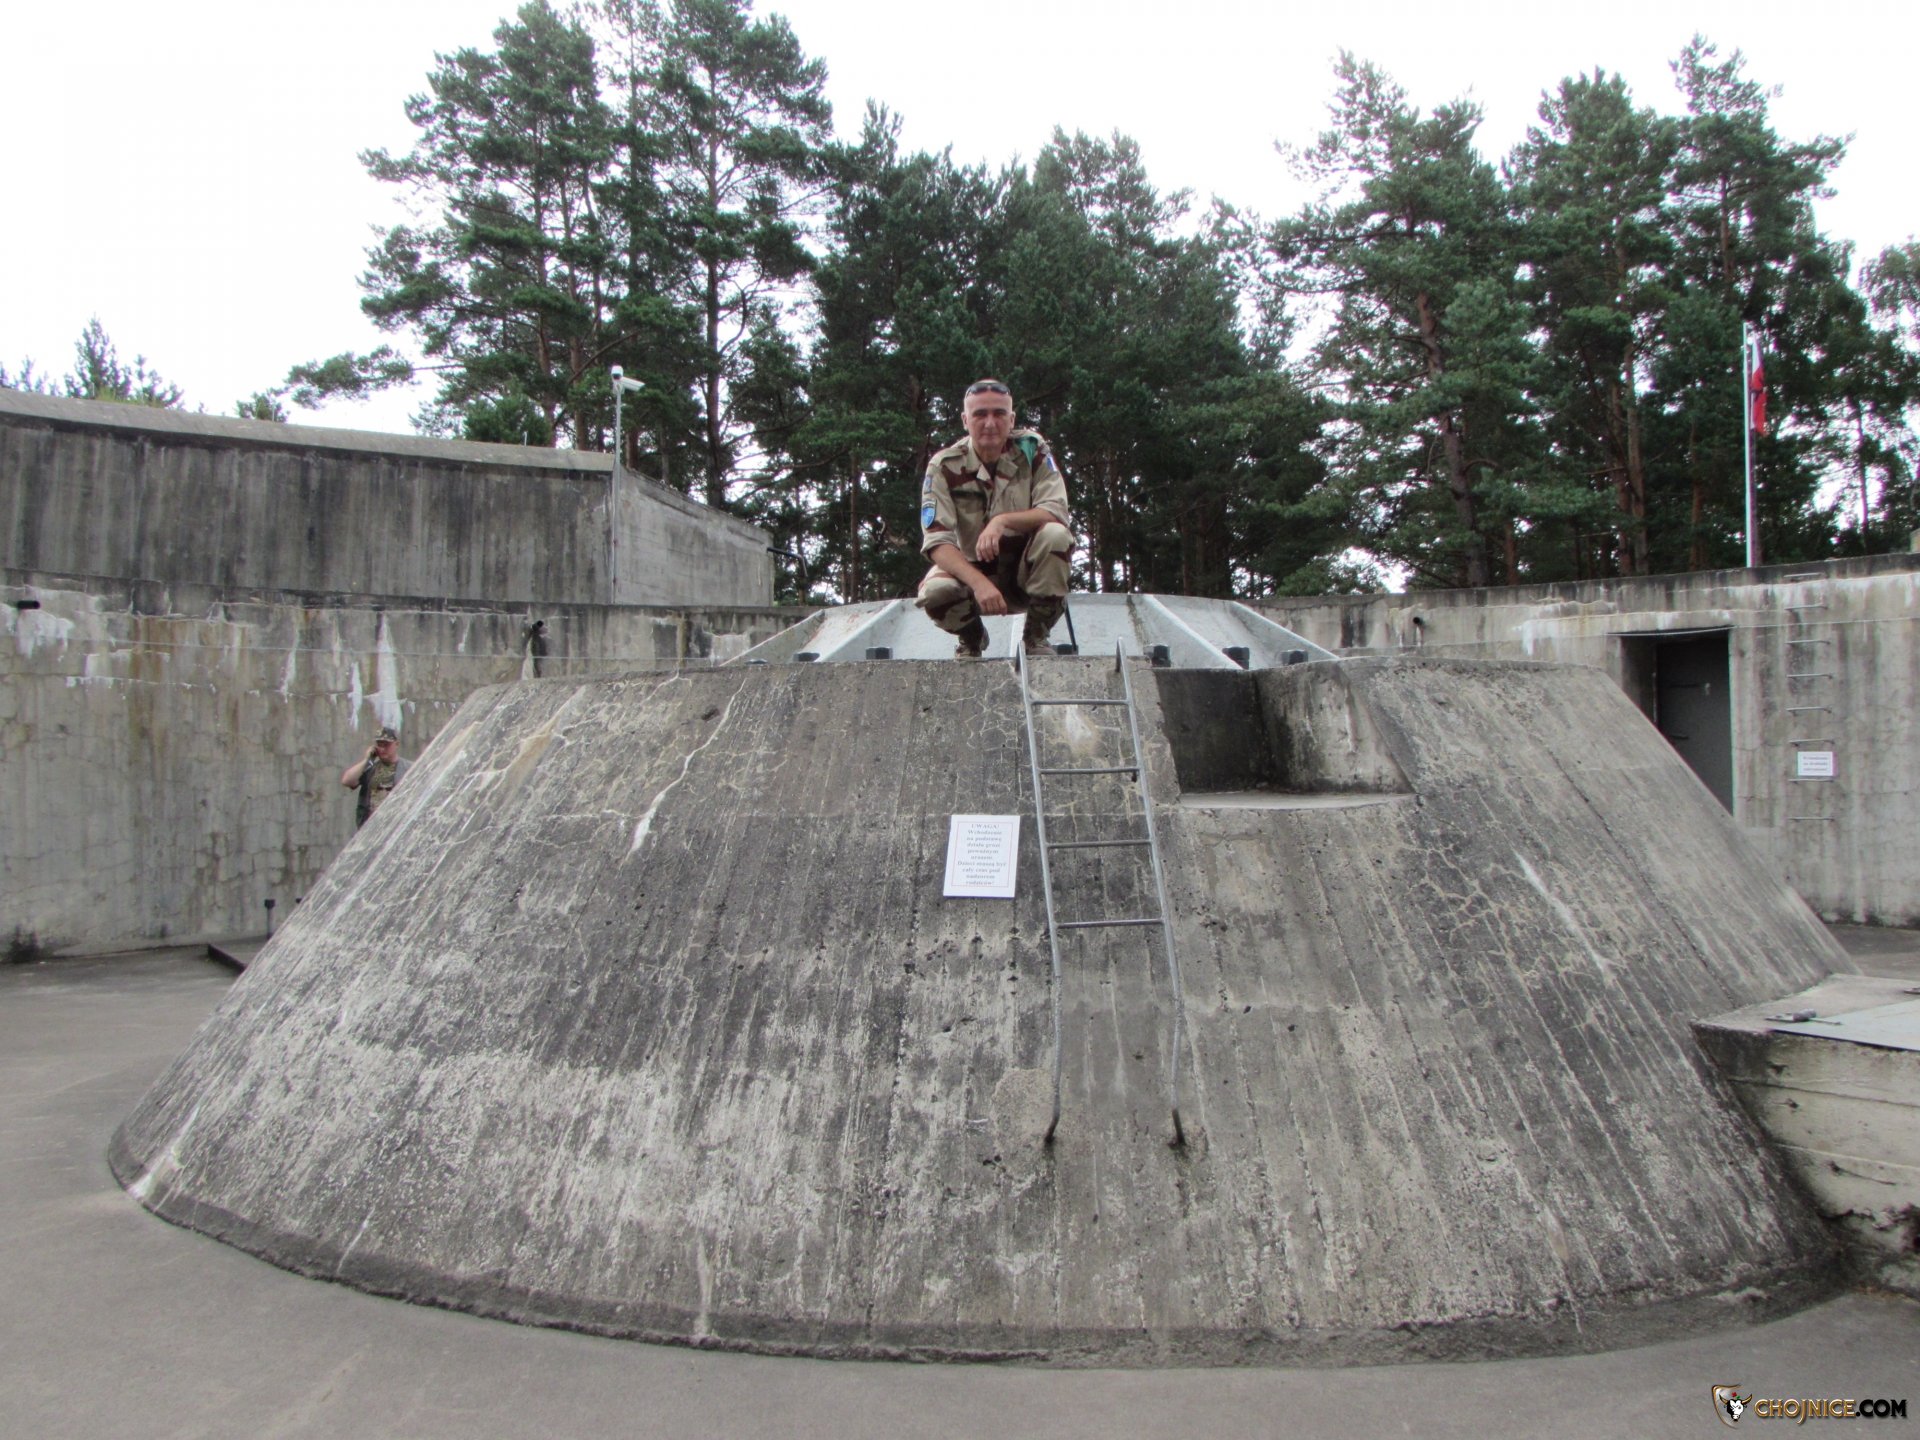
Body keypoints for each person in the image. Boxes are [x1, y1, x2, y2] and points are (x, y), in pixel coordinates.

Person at [916, 378, 1073, 657]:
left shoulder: (1031, 449)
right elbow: (937, 541)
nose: (990, 423)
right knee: (935, 591)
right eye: (980, 414)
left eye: (999, 414)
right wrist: (980, 584)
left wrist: (1002, 521)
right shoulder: (944, 466)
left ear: (1011, 419)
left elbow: (1056, 510)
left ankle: (1035, 638)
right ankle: (972, 637)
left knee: (1056, 535)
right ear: (965, 420)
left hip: (1026, 574)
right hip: (970, 579)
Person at [341, 726, 409, 828]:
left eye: (386, 745)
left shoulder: (408, 768)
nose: (382, 749)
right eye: (379, 745)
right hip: (371, 827)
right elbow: (347, 780)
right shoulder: (370, 769)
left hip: (397, 825)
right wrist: (367, 760)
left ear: (396, 744)